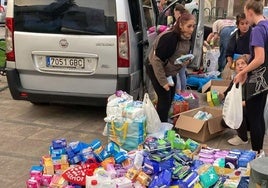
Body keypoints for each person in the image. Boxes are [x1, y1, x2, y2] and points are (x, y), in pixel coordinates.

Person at [146, 13, 196, 122]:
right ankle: (160, 127)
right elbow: (156, 60)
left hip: (170, 71)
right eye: (189, 26)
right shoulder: (169, 38)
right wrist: (163, 82)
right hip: (155, 68)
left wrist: (185, 61)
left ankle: (163, 120)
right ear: (181, 25)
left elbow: (177, 57)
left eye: (193, 26)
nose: (191, 29)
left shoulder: (187, 38)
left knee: (171, 96)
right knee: (164, 98)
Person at [234, 0, 268, 155]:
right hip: (265, 78)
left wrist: (242, 71)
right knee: (259, 115)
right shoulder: (267, 25)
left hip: (257, 79)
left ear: (249, 12)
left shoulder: (257, 30)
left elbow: (259, 58)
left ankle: (256, 152)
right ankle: (260, 151)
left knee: (254, 116)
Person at [221, 55, 250, 146]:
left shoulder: (251, 81)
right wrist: (219, 96)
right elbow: (226, 94)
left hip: (251, 110)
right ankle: (245, 130)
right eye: (238, 64)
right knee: (224, 122)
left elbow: (254, 101)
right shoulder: (235, 80)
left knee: (238, 111)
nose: (240, 66)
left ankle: (243, 138)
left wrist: (239, 104)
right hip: (240, 108)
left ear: (248, 65)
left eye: (243, 63)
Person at [222, 13, 252, 80]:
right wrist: (231, 64)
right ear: (238, 25)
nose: (245, 26)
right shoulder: (234, 36)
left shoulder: (254, 34)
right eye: (242, 24)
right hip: (237, 63)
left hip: (251, 63)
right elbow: (229, 53)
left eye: (247, 23)